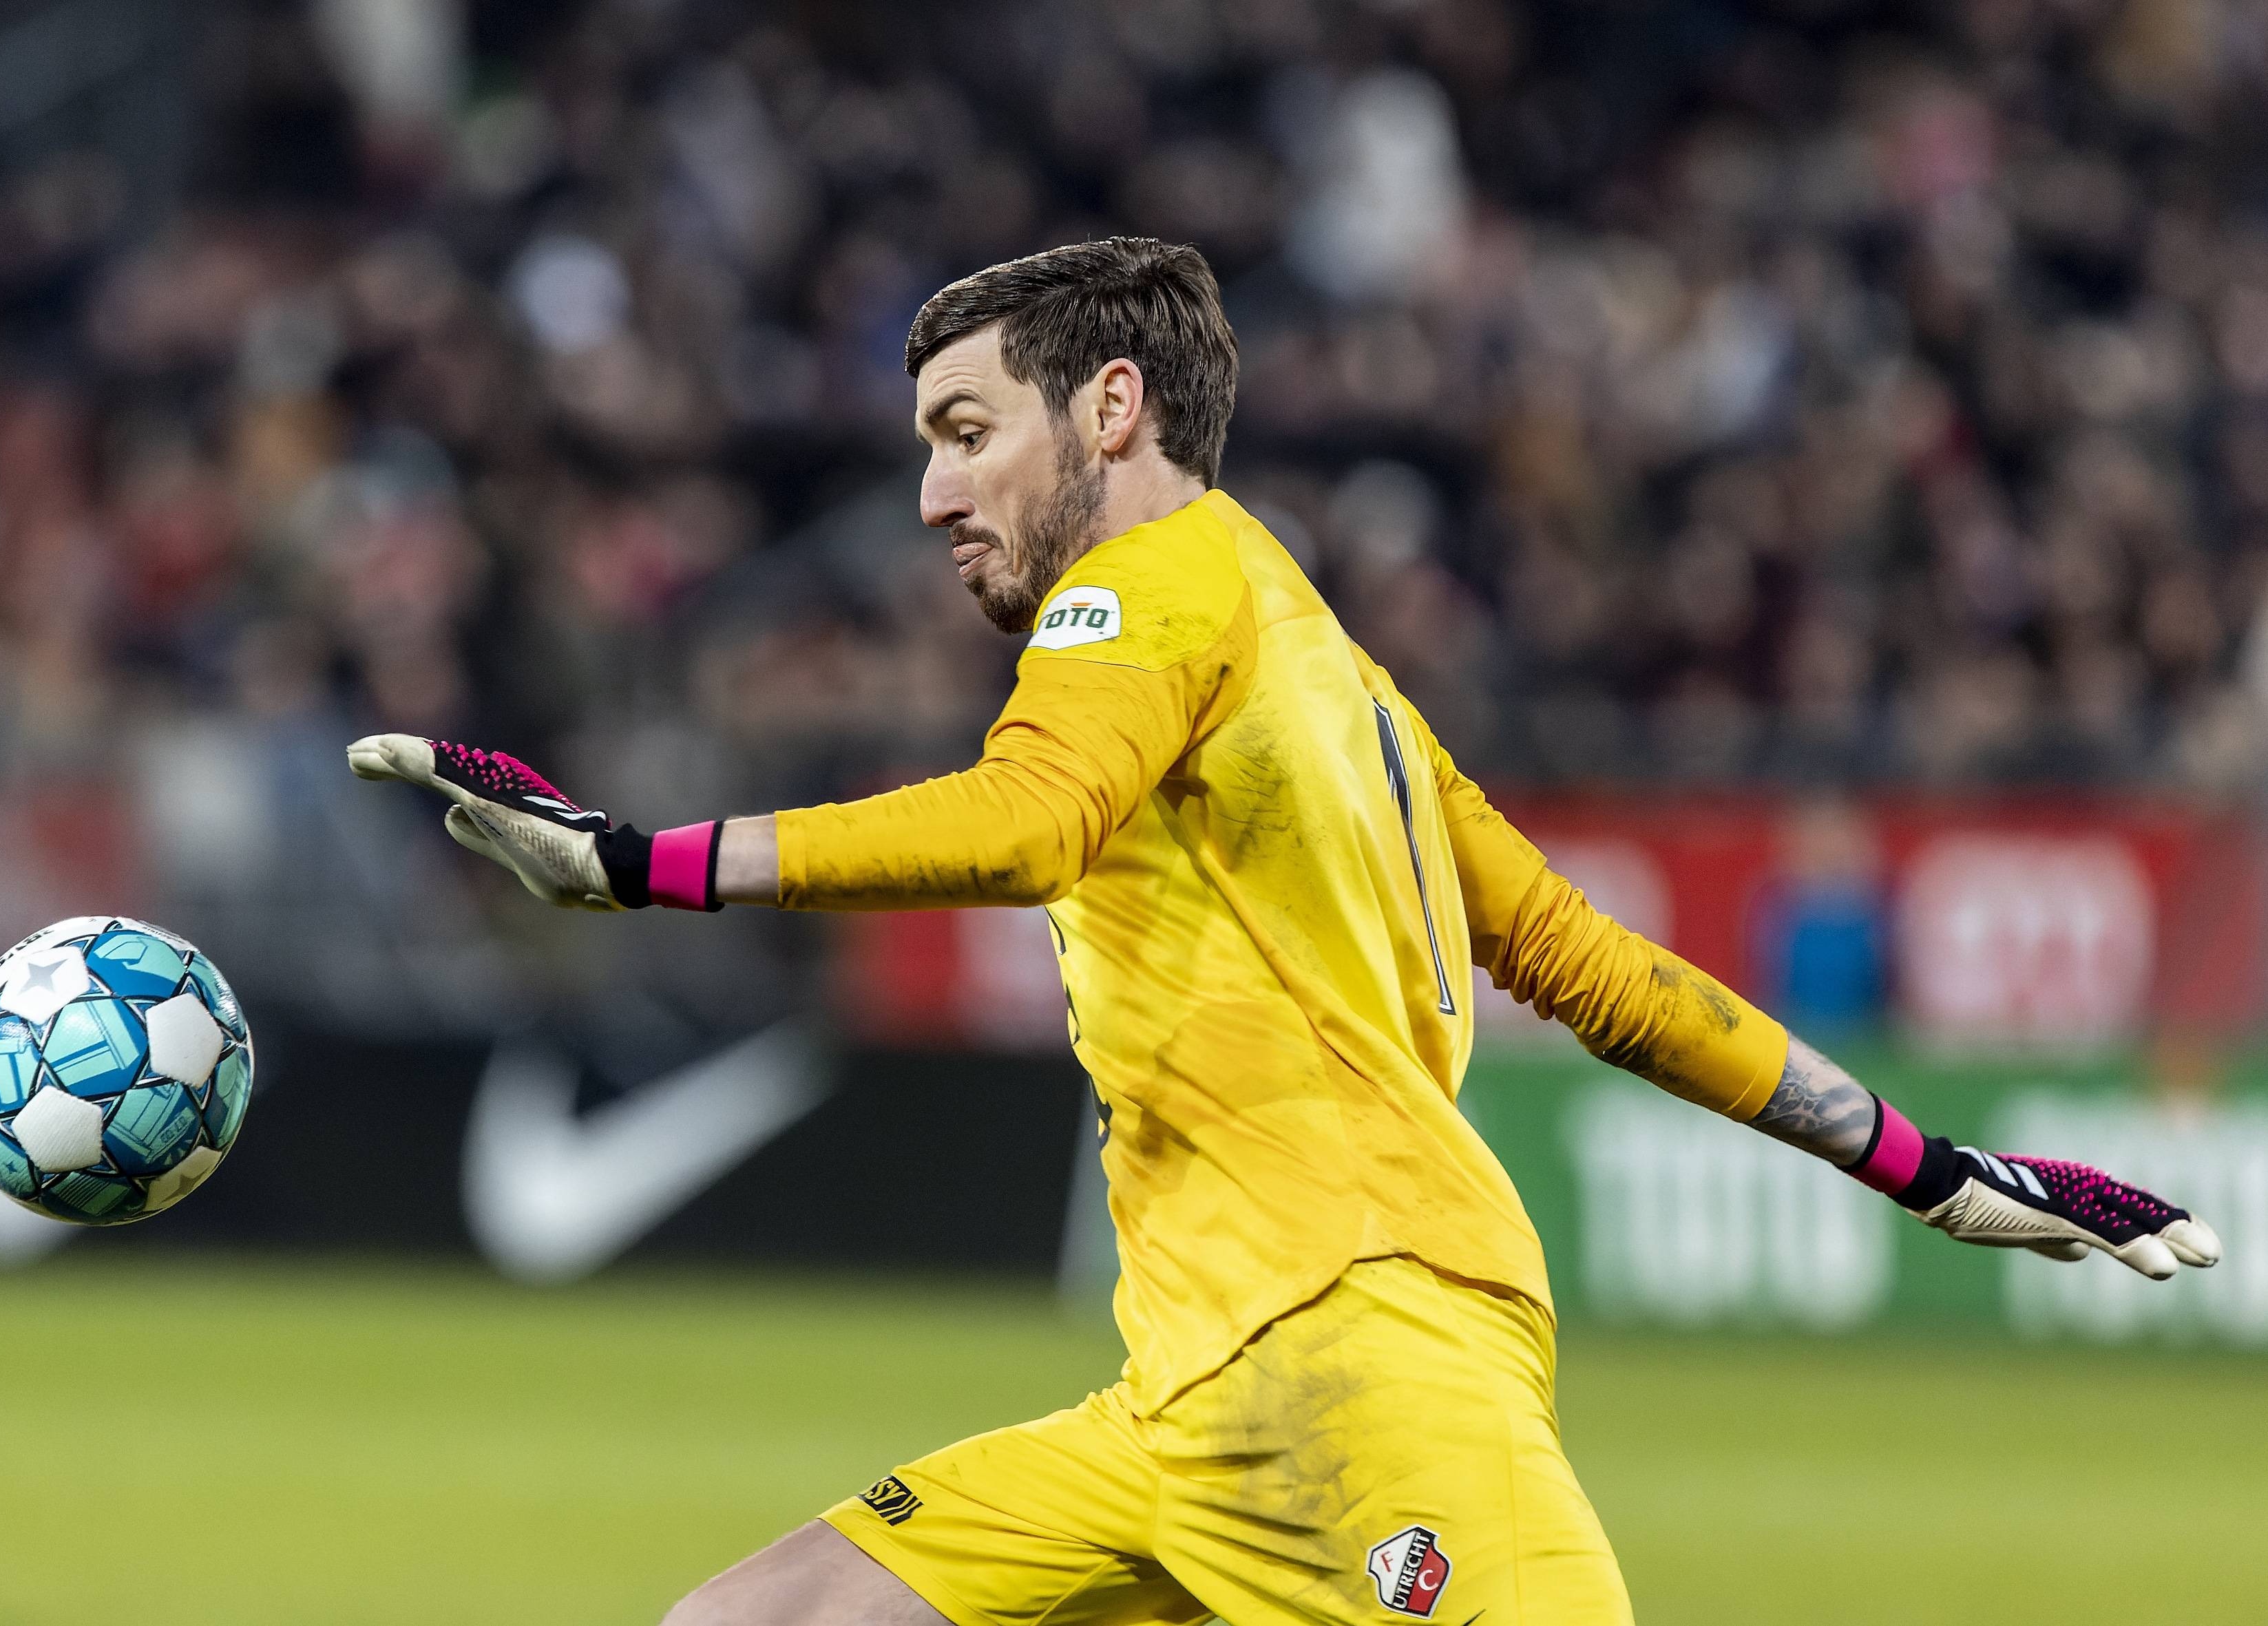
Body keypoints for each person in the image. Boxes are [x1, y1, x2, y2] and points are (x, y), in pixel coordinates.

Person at [350, 239, 2221, 1626]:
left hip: (1356, 1341)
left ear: (1112, 409)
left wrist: (635, 859)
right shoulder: (1349, 690)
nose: (931, 492)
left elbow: (1022, 826)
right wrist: (1931, 1163)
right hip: (1188, 1403)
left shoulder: (1146, 591)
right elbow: (1602, 971)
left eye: (964, 431)